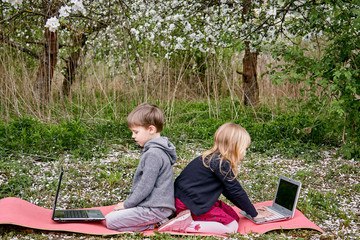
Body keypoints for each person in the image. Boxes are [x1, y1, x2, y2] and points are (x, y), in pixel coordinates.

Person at [158, 122, 273, 234]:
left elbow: (230, 192)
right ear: (234, 147)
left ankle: (183, 218)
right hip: (189, 204)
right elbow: (237, 191)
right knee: (232, 227)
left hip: (188, 200)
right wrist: (255, 215)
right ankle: (187, 224)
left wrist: (251, 210)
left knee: (233, 215)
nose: (245, 152)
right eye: (244, 148)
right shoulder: (221, 163)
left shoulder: (213, 159)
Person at [106, 103, 177, 232]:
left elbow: (145, 186)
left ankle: (159, 223)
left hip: (155, 209)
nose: (133, 136)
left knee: (110, 221)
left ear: (151, 129)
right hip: (156, 206)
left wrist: (128, 205)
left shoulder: (153, 154)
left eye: (136, 132)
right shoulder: (158, 150)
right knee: (113, 214)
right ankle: (157, 220)